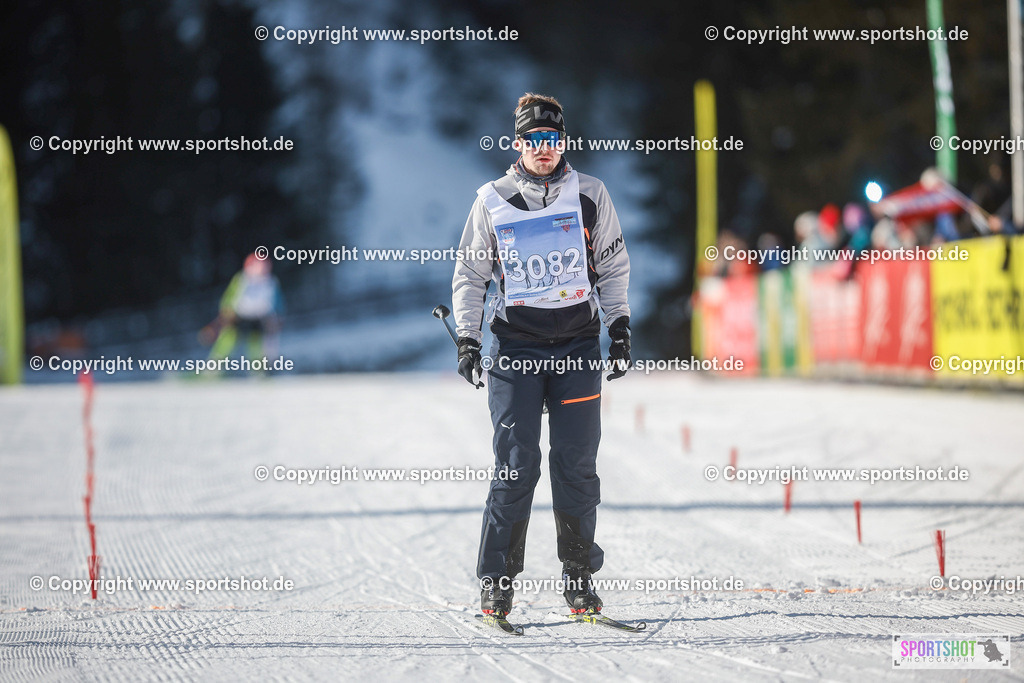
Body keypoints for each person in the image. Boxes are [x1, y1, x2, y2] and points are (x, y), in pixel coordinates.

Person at [451, 93, 631, 620]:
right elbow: (471, 274)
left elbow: (613, 266)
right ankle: (497, 584)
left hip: (578, 344)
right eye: (534, 140)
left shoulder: (591, 194)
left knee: (577, 465)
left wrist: (620, 328)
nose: (544, 148)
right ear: (518, 143)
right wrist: (467, 339)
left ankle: (579, 580)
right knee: (516, 465)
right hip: (516, 347)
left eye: (552, 139)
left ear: (564, 141)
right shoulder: (492, 199)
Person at [203, 253, 284, 365]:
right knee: (227, 339)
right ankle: (214, 366)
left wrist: (278, 316)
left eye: (265, 265)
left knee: (256, 343)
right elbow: (229, 296)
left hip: (259, 318)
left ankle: (258, 368)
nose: (263, 268)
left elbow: (278, 301)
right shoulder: (242, 280)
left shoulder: (271, 282)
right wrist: (226, 310)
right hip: (239, 316)